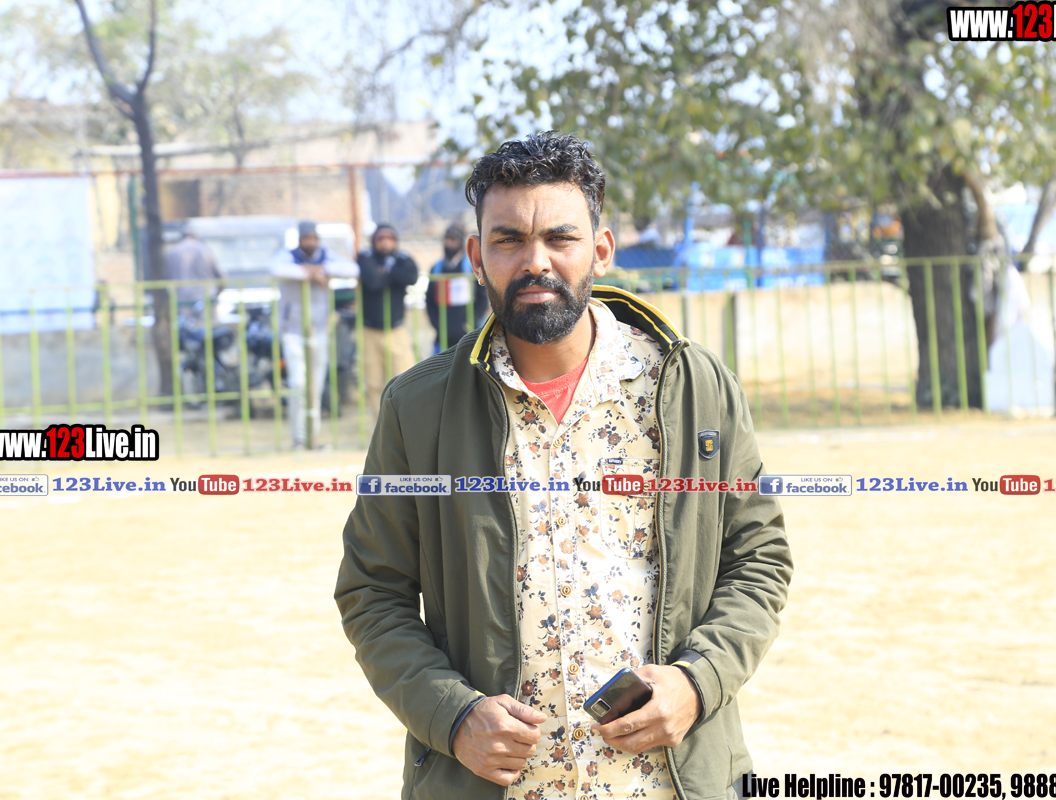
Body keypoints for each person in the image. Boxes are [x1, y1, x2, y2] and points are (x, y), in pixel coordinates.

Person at [334, 132, 792, 800]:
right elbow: (373, 592)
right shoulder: (418, 408)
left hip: (668, 783)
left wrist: (698, 682)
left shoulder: (692, 386)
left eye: (560, 238)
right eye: (509, 240)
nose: (535, 261)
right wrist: (452, 716)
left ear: (600, 250)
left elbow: (759, 558)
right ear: (477, 257)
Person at [269, 220, 358, 449]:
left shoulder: (326, 256)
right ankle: (298, 438)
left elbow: (352, 269)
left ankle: (313, 439)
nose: (309, 242)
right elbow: (275, 269)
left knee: (315, 388)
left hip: (319, 329)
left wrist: (323, 270)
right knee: (298, 385)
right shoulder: (288, 256)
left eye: (313, 238)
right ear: (299, 240)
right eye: (305, 238)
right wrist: (307, 273)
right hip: (293, 330)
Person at [357, 223, 420, 415]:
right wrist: (393, 276)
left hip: (396, 329)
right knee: (374, 382)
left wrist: (387, 270)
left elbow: (412, 276)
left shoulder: (402, 258)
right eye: (381, 239)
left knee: (405, 379)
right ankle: (380, 424)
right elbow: (373, 281)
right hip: (370, 330)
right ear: (374, 241)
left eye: (389, 239)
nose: (385, 243)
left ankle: (404, 423)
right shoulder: (366, 257)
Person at [425, 221, 491, 353]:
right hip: (443, 337)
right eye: (447, 239)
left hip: (469, 335)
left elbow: (483, 297)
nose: (448, 244)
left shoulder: (471, 267)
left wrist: (472, 320)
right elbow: (429, 299)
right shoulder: (437, 268)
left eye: (453, 239)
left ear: (460, 242)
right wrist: (437, 324)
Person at [164, 221, 224, 317]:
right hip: (205, 296)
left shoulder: (172, 251)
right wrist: (217, 293)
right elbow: (220, 276)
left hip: (181, 297)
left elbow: (166, 276)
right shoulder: (205, 249)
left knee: (185, 325)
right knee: (208, 325)